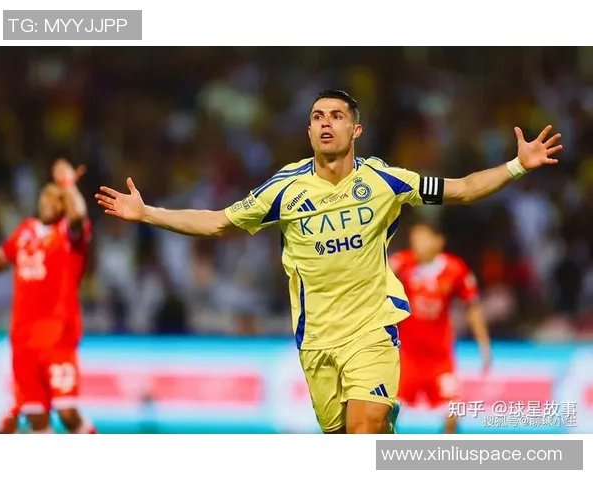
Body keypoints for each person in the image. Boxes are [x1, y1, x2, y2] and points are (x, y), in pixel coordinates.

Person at [95, 90, 562, 434]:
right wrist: (148, 213)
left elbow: (460, 189)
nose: (325, 123)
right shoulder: (284, 188)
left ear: (355, 130)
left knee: (364, 429)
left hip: (372, 330)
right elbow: (218, 222)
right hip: (316, 339)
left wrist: (517, 165)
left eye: (337, 116)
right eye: (317, 116)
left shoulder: (385, 180)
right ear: (309, 131)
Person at [0, 159, 96, 434]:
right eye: (45, 195)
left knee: (67, 413)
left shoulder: (69, 235)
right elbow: (2, 260)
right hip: (23, 339)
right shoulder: (26, 230)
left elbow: (78, 215)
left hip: (57, 336)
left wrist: (68, 183)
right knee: (36, 417)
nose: (48, 200)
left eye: (56, 197)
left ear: (64, 203)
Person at [389, 222, 491, 434]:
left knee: (453, 413)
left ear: (439, 241)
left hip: (440, 359)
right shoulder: (401, 264)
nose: (417, 243)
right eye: (415, 238)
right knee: (386, 414)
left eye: (423, 238)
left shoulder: (455, 269)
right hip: (407, 357)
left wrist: (484, 347)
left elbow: (473, 308)